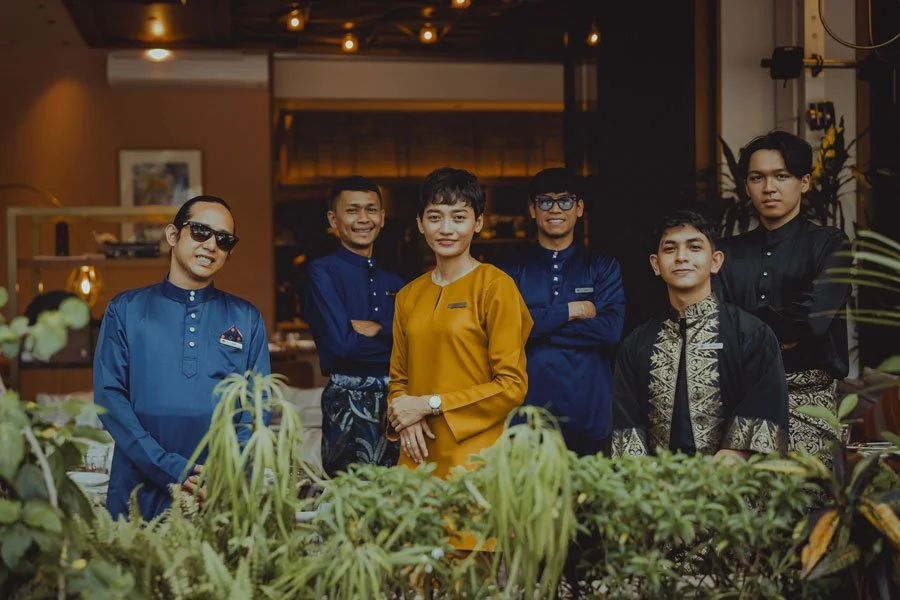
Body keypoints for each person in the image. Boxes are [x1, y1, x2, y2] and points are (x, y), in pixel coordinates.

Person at [94, 195, 271, 519]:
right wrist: (168, 467)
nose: (211, 245)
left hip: (220, 489)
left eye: (224, 239)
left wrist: (227, 470)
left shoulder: (246, 317)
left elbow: (257, 407)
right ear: (173, 235)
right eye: (201, 231)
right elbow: (109, 399)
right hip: (140, 482)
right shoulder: (126, 310)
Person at [386, 167, 532, 480]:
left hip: (475, 453)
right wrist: (407, 417)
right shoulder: (408, 295)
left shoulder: (495, 286)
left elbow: (512, 386)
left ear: (478, 222)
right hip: (417, 453)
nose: (446, 228)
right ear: (420, 224)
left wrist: (430, 404)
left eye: (459, 216)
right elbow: (399, 378)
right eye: (435, 216)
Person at [716, 131, 851, 460]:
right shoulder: (728, 252)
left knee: (806, 503)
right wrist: (778, 330)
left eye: (782, 176)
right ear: (747, 186)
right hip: (741, 400)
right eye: (757, 178)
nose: (769, 188)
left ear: (804, 182)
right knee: (737, 504)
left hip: (808, 402)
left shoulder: (830, 244)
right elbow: (717, 324)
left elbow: (811, 323)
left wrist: (748, 328)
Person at [611, 210, 789, 458]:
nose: (681, 257)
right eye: (670, 249)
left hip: (732, 489)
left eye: (694, 247)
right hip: (655, 490)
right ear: (655, 264)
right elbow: (627, 430)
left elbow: (760, 421)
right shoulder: (636, 344)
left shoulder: (752, 335)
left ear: (715, 261)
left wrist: (711, 481)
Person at [503, 168, 625, 456]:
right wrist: (572, 310)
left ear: (579, 208)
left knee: (590, 499)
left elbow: (610, 330)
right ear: (532, 210)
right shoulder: (511, 269)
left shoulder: (602, 265)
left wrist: (536, 324)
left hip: (590, 411)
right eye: (545, 201)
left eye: (565, 201)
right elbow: (507, 331)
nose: (555, 209)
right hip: (527, 414)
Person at [304, 176, 403, 476]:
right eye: (353, 210)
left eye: (371, 210)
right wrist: (395, 340)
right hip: (346, 405)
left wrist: (379, 327)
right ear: (333, 219)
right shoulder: (321, 272)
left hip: (398, 405)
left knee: (398, 498)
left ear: (382, 218)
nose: (363, 219)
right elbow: (341, 346)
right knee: (350, 501)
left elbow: (417, 344)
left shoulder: (396, 282)